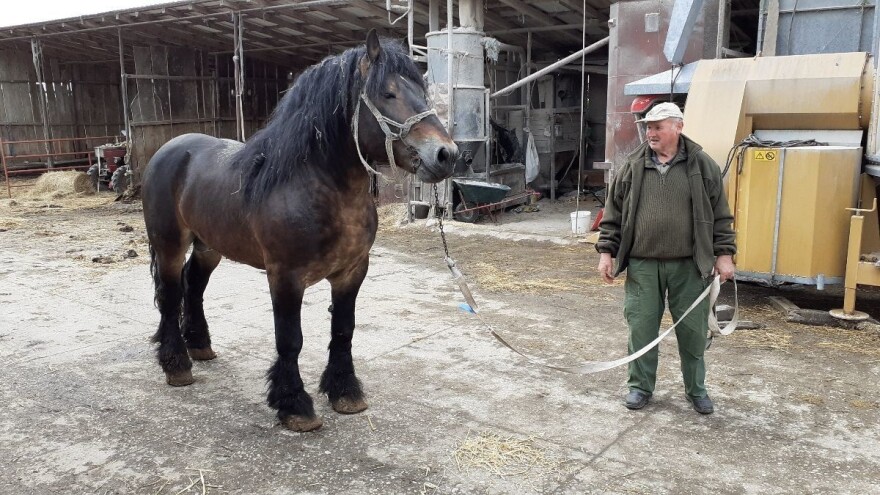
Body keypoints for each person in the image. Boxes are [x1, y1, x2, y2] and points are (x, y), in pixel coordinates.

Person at [595, 102, 736, 415]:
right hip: (644, 265)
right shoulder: (632, 165)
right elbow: (612, 214)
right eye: (648, 126)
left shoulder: (702, 165)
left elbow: (721, 216)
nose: (651, 132)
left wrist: (724, 255)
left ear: (678, 128)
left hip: (690, 265)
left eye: (658, 126)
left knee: (693, 332)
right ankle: (640, 387)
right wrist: (607, 252)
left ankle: (696, 390)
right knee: (641, 328)